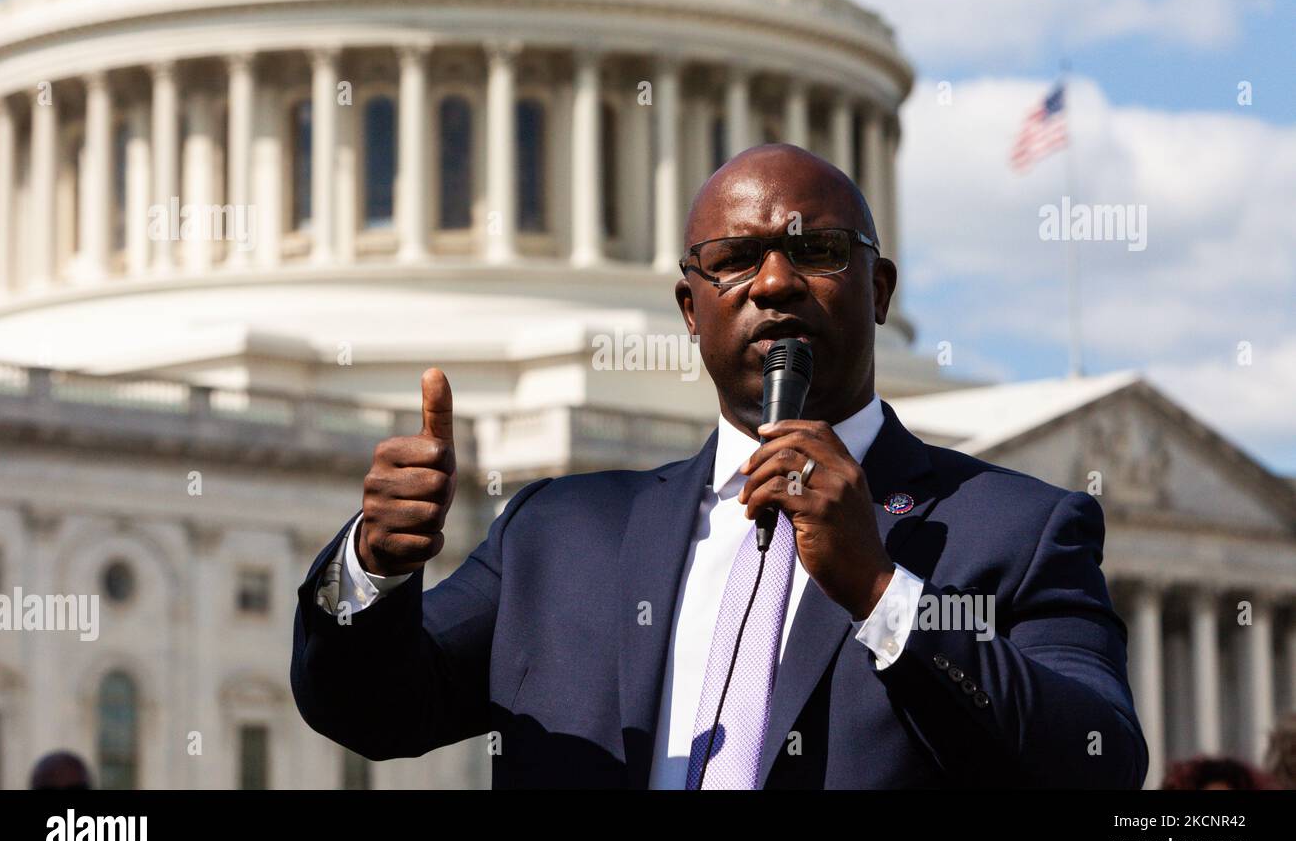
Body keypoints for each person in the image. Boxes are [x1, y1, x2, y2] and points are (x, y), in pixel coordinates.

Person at [291, 143, 1147, 789]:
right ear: (690, 310)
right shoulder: (560, 534)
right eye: (734, 261)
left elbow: (1096, 760)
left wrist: (885, 595)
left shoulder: (1015, 530)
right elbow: (373, 711)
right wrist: (371, 570)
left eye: (815, 252)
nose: (773, 284)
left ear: (880, 290)